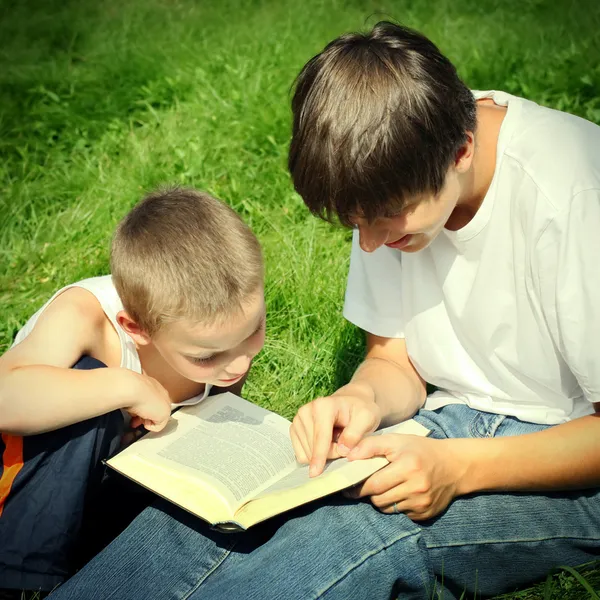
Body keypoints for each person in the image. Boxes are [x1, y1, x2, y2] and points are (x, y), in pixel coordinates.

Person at [48, 21, 600, 600]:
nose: (368, 244)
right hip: (446, 422)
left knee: (351, 536)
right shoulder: (393, 172)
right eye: (354, 223)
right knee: (220, 516)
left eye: (387, 217)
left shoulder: (573, 194)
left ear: (462, 151)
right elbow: (395, 361)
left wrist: (459, 467)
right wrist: (358, 399)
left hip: (561, 457)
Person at [0, 187, 265, 597]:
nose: (238, 364)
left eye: (253, 332)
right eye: (206, 358)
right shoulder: (84, 317)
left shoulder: (213, 335)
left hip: (111, 489)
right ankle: (21, 580)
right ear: (135, 328)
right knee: (88, 389)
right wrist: (124, 385)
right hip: (25, 499)